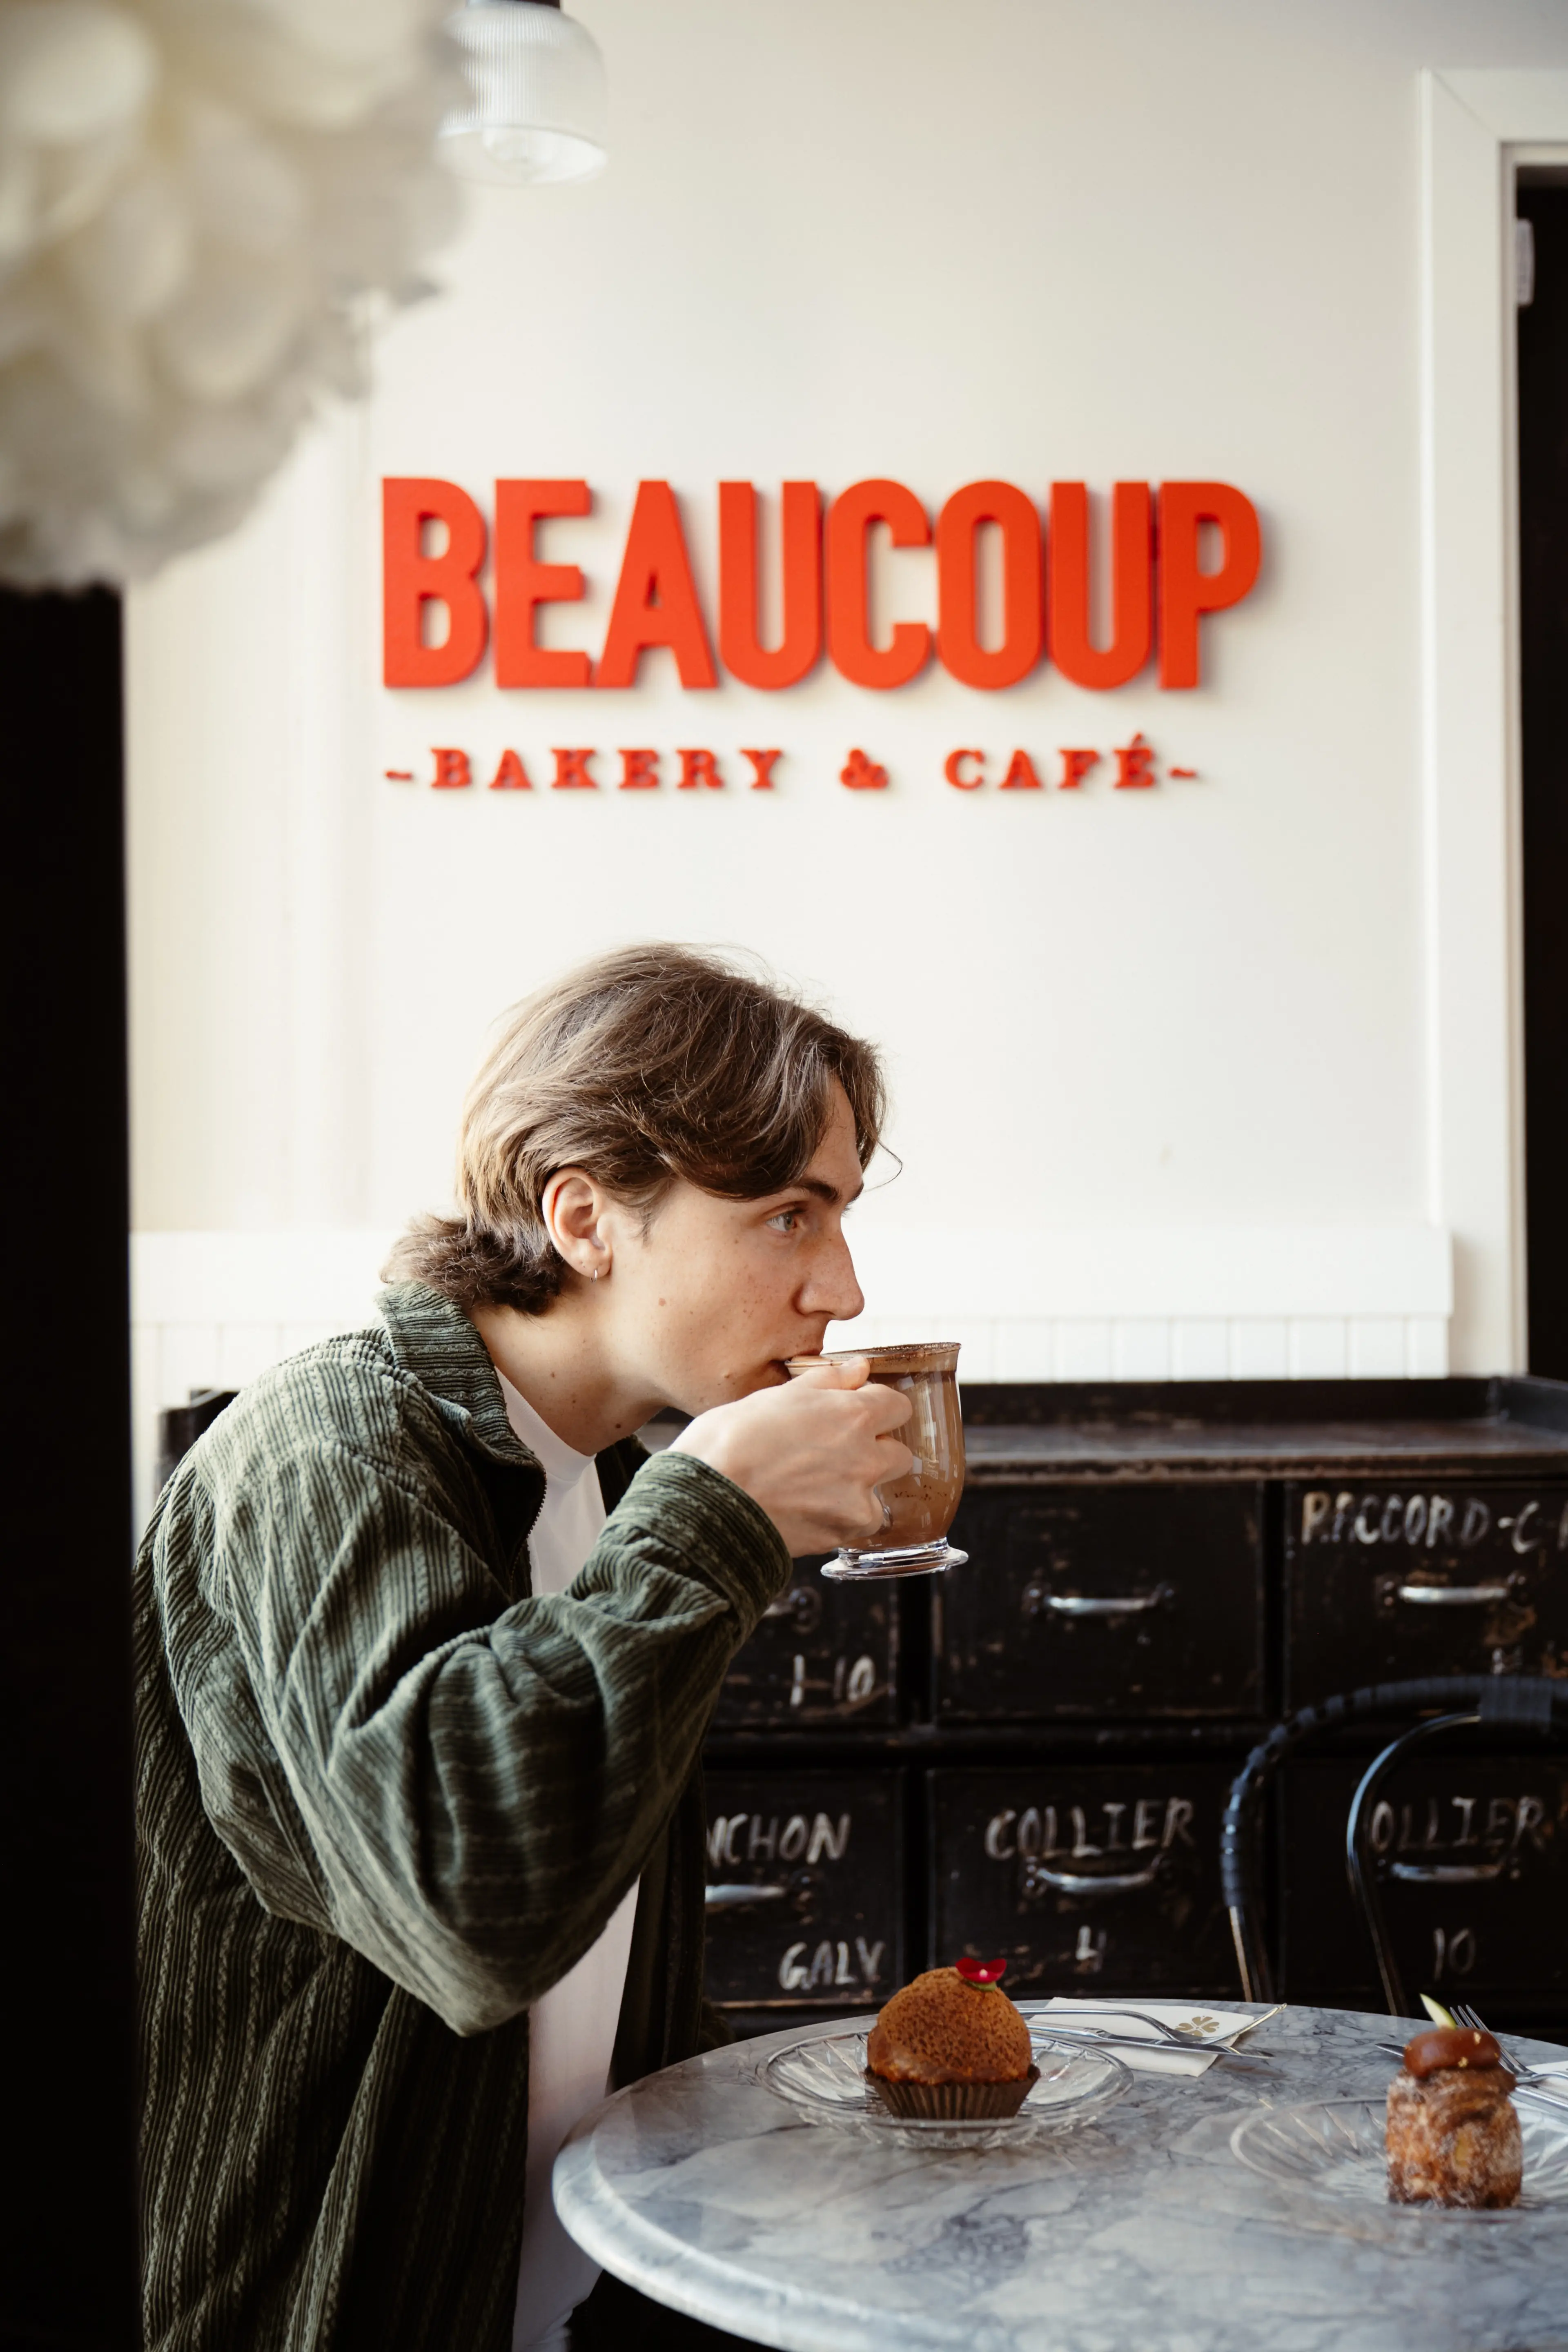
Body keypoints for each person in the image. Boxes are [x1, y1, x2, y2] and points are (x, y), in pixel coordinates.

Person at [136, 944, 913, 2352]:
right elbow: (472, 1911)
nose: (843, 1291)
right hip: (319, 2302)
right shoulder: (330, 1448)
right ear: (584, 1215)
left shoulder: (604, 1479)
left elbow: (596, 1943)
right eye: (790, 1218)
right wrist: (717, 1522)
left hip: (562, 2296)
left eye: (842, 1216)